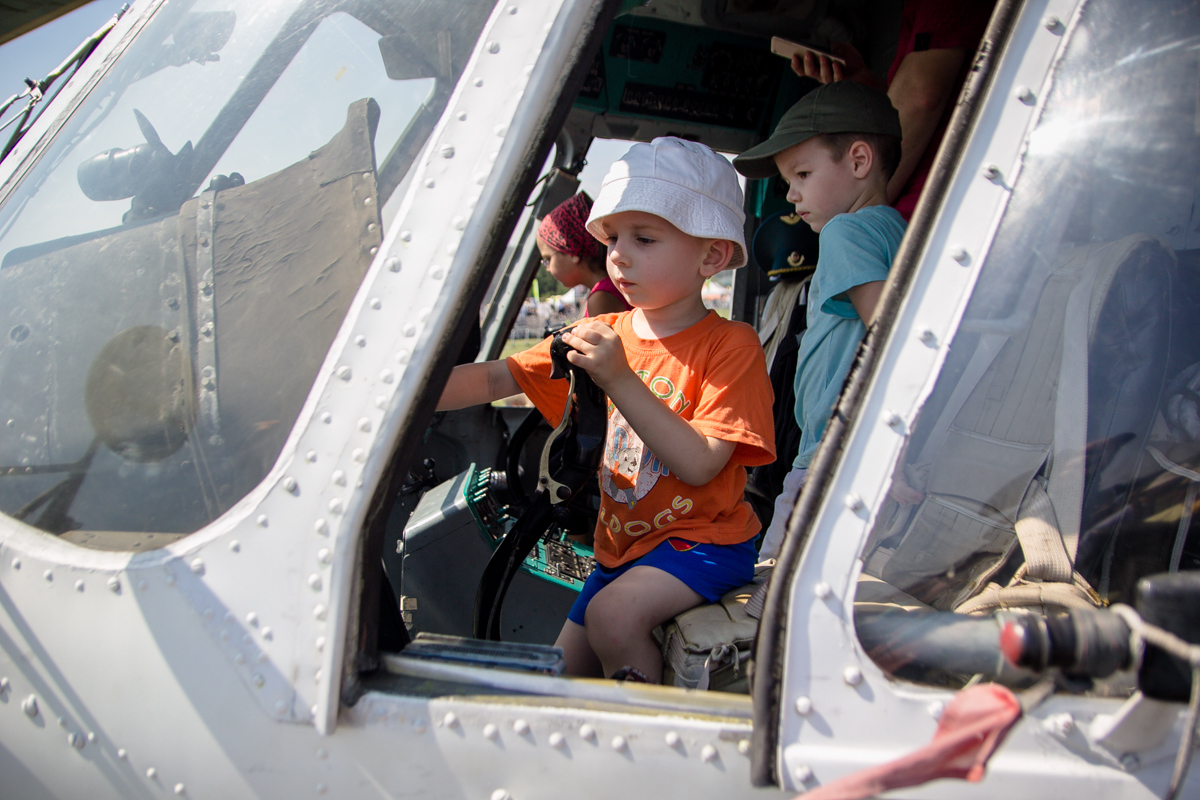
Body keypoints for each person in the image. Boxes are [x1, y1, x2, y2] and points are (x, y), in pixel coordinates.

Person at [439, 137, 775, 682]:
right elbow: (499, 375)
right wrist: (403, 393)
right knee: (556, 679)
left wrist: (618, 377)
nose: (618, 254)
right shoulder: (604, 333)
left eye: (644, 238)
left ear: (711, 256)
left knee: (612, 616)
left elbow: (702, 464)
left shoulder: (730, 347)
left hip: (702, 544)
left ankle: (650, 752)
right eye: (612, 237)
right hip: (621, 549)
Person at [733, 80, 912, 561]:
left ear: (858, 161)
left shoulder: (844, 232)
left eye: (802, 175)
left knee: (773, 596)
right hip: (861, 451)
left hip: (831, 456)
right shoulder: (901, 230)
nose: (791, 195)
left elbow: (892, 340)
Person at [791, 0, 995, 219]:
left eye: (804, 174)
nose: (792, 196)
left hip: (942, 207)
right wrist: (862, 83)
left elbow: (923, 97)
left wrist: (856, 213)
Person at [536, 192, 630, 316]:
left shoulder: (601, 298)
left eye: (548, 259)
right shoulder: (612, 287)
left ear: (571, 251)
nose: (547, 269)